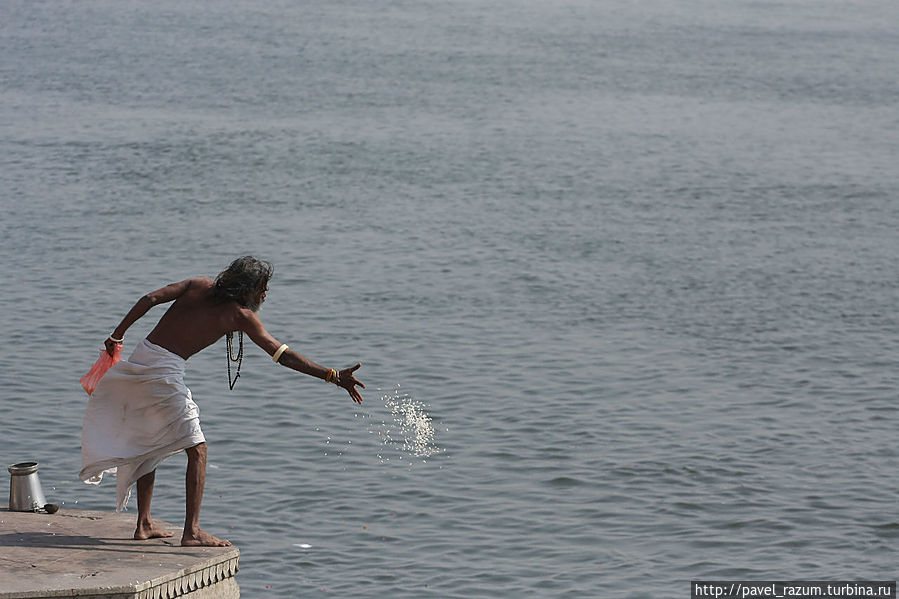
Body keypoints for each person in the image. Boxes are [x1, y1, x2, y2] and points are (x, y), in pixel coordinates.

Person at [80, 256, 364, 547]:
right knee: (198, 450)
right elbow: (283, 355)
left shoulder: (198, 284)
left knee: (148, 440)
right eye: (262, 288)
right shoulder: (240, 316)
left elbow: (150, 298)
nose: (265, 293)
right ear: (245, 289)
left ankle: (144, 523)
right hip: (163, 374)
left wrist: (117, 334)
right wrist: (332, 375)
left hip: (141, 357)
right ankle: (192, 532)